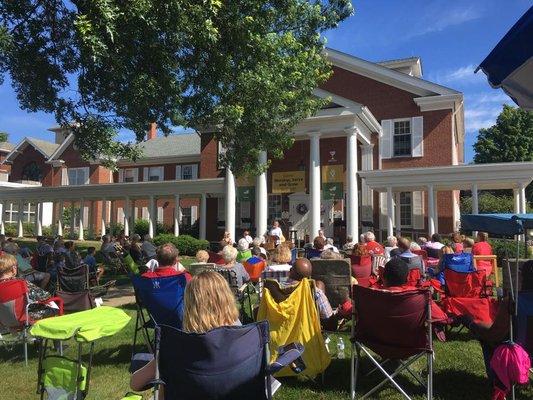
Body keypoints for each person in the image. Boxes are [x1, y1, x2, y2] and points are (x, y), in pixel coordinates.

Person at [131, 271, 241, 397]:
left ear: (189, 303)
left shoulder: (175, 346)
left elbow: (135, 384)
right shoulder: (246, 337)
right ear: (227, 297)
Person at [459, 260, 533, 394]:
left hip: (518, 353)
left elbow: (494, 334)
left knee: (487, 339)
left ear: (522, 277)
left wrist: (471, 323)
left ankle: (499, 381)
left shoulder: (513, 301)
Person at [0, 252, 59, 321]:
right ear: (13, 269)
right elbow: (45, 296)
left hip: (4, 320)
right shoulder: (22, 284)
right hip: (23, 318)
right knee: (54, 308)